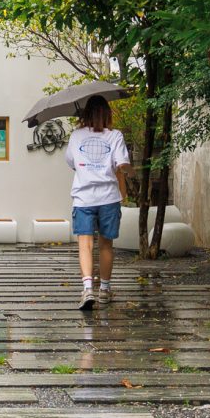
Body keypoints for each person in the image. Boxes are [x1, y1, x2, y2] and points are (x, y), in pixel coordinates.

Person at [64, 94, 131, 308]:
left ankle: (87, 289)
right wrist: (126, 171)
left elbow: (72, 162)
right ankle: (104, 289)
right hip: (108, 197)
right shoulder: (115, 135)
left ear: (86, 114)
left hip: (83, 197)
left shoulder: (76, 136)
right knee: (105, 245)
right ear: (107, 114)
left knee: (85, 245)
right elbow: (122, 164)